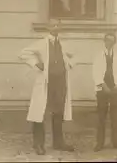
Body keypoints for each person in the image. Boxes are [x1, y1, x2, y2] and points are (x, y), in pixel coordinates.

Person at [18, 20, 77, 155]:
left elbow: (76, 56)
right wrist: (36, 63)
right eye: (52, 25)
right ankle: (38, 144)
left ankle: (58, 142)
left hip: (60, 82)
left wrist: (69, 64)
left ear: (60, 27)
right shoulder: (41, 43)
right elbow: (23, 53)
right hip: (46, 82)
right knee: (40, 112)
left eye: (57, 25)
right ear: (47, 27)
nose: (55, 27)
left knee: (58, 112)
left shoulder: (64, 44)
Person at [92, 33, 117, 152]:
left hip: (115, 89)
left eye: (112, 41)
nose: (109, 43)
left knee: (116, 117)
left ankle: (116, 142)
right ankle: (99, 143)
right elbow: (95, 72)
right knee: (101, 117)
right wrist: (103, 85)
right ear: (104, 41)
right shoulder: (98, 56)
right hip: (102, 89)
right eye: (108, 40)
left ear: (114, 42)